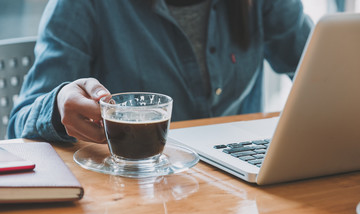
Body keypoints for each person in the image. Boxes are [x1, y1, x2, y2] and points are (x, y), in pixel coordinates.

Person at [8, 0, 313, 143]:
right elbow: (19, 123)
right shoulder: (85, 6)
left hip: (237, 198)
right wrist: (58, 102)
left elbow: (322, 71)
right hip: (133, 202)